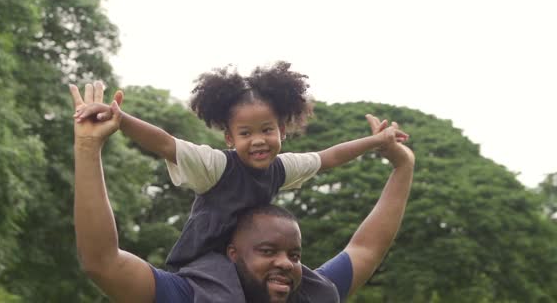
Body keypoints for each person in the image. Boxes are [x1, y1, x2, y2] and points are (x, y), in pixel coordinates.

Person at [73, 62, 409, 303]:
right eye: (268, 251)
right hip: (205, 262)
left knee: (323, 289)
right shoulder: (216, 167)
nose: (284, 262)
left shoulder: (282, 169)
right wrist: (116, 123)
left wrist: (387, 152)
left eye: (294, 254)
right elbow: (164, 142)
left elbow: (331, 160)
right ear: (230, 138)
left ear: (282, 130)